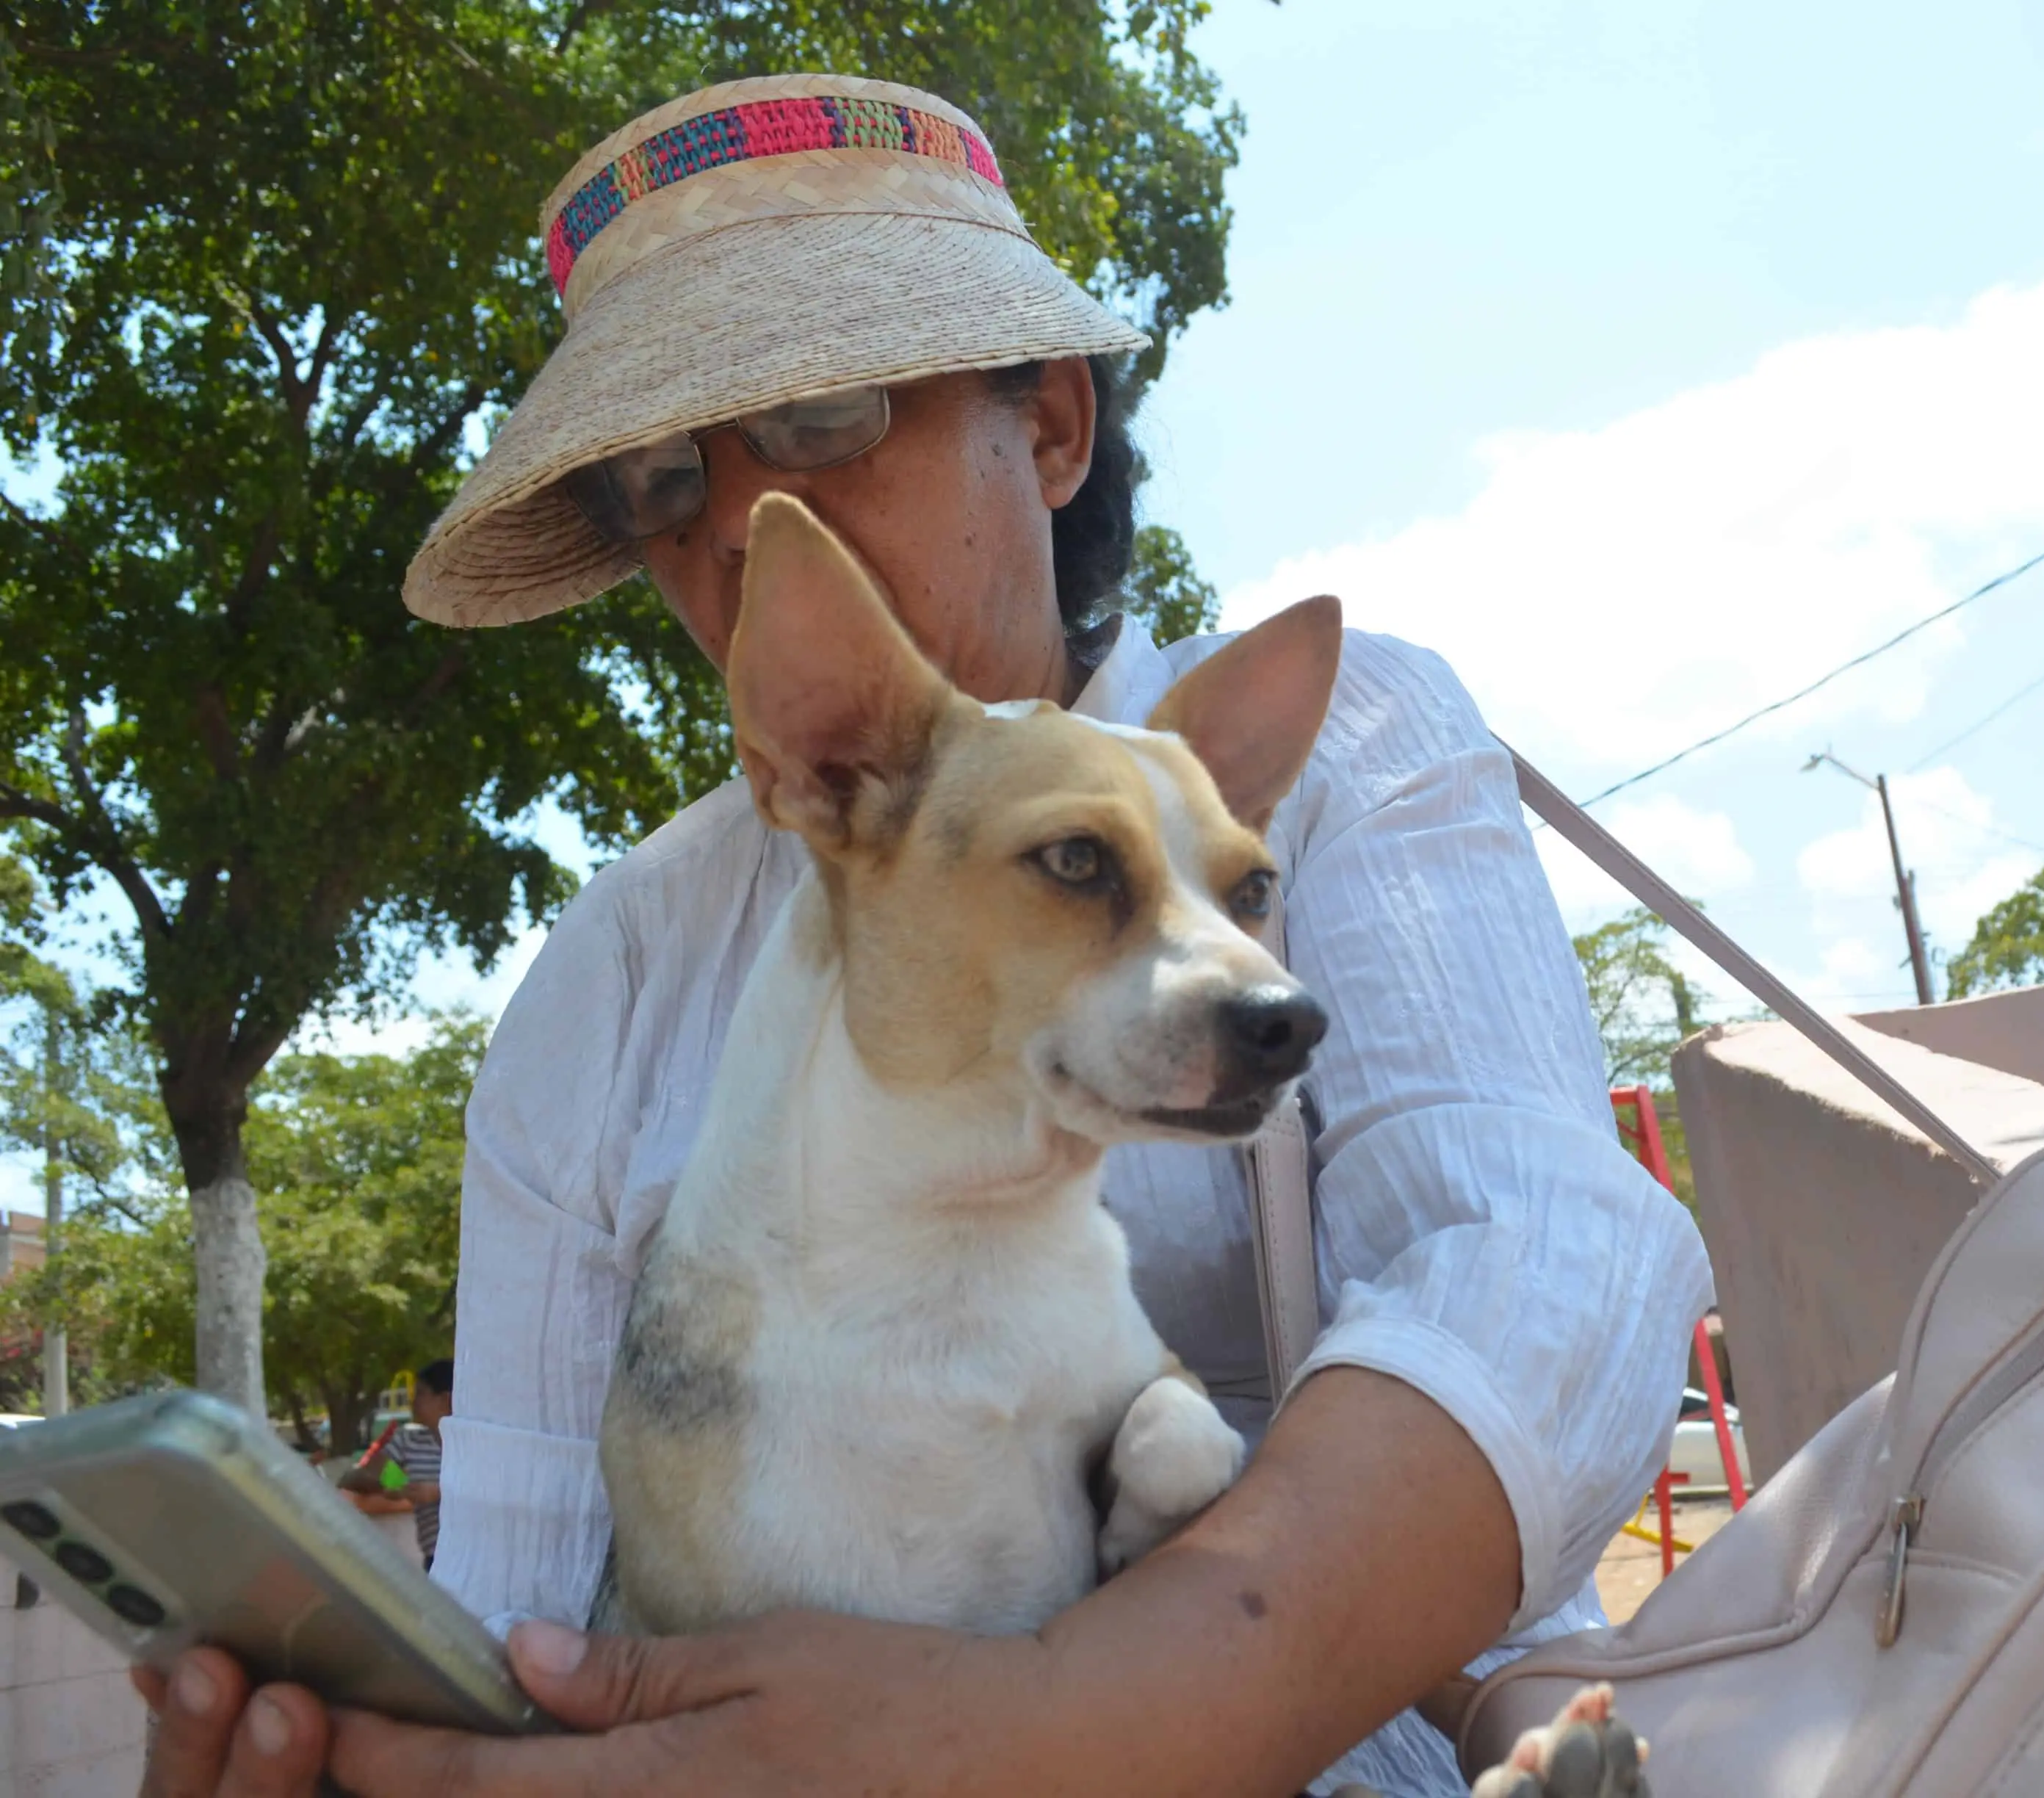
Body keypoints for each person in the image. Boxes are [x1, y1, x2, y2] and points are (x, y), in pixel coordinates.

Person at [135, 73, 1711, 1798]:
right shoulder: (611, 975)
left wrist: (1069, 1717)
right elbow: (524, 1589)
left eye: (821, 417)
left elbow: (1539, 1267)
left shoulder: (1326, 758)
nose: (736, 520)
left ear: (1046, 425)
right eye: (665, 479)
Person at [337, 1362, 452, 1569]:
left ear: (445, 1400)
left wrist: (438, 1492)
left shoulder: (476, 1444)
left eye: (420, 1394)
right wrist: (397, 1486)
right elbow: (358, 1477)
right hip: (436, 1560)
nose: (412, 1401)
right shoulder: (409, 1440)